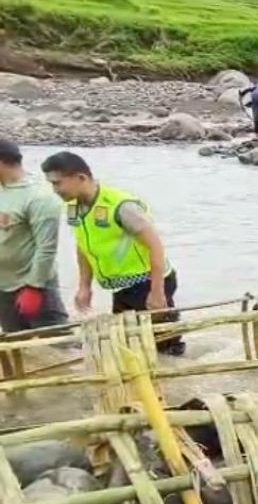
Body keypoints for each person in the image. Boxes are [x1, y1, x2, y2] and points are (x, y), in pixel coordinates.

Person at [41, 151, 185, 355]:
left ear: (81, 178)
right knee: (130, 346)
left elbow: (155, 246)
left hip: (148, 282)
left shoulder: (121, 206)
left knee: (165, 347)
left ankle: (178, 383)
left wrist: (157, 292)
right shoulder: (74, 208)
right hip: (122, 287)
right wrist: (84, 286)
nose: (55, 190)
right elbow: (83, 246)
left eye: (58, 183)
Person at [0, 140, 69, 334]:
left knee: (59, 348)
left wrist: (34, 287)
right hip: (3, 288)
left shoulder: (38, 197)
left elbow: (46, 248)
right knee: (16, 345)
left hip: (34, 286)